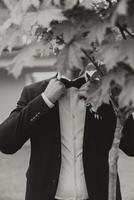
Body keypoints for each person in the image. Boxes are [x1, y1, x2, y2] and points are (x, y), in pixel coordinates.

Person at [0, 67, 134, 200]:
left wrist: (103, 104)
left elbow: (131, 146)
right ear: (54, 48)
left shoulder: (106, 91)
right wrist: (45, 100)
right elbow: (6, 143)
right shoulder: (34, 92)